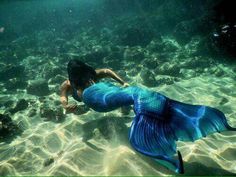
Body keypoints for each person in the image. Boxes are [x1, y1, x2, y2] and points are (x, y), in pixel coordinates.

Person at [60, 59, 235, 174]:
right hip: (108, 94)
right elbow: (63, 98)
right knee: (137, 95)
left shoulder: (88, 76)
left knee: (137, 97)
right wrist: (67, 106)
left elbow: (106, 70)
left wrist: (122, 82)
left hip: (104, 99)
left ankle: (163, 150)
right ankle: (182, 123)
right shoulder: (70, 84)